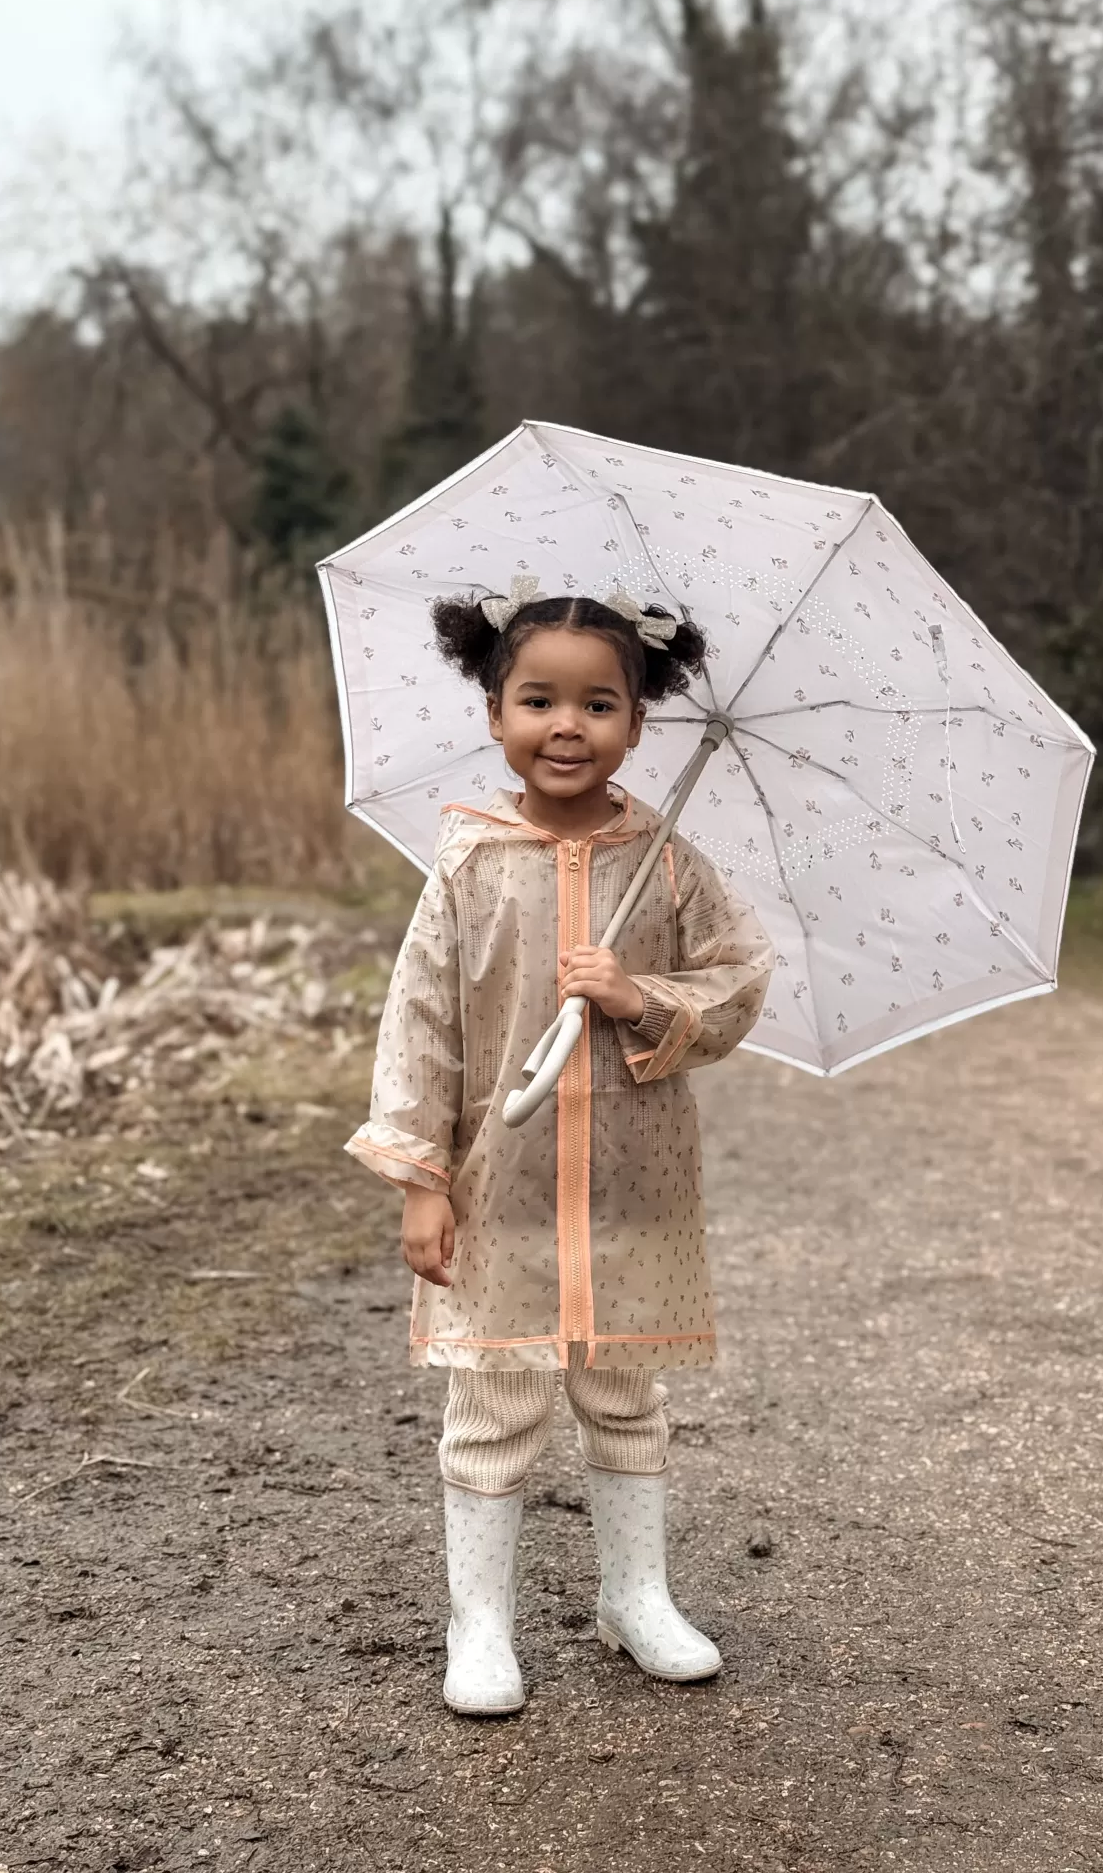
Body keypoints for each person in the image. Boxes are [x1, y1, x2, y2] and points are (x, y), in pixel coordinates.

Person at [345, 579, 774, 1717]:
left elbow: (737, 981)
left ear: (638, 722)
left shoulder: (669, 864)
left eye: (598, 704)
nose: (567, 726)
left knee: (623, 1388)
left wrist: (641, 996)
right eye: (538, 700)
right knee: (493, 1397)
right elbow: (422, 1024)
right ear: (495, 714)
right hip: (504, 1184)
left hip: (632, 1183)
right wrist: (422, 1180)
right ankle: (479, 1625)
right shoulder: (472, 863)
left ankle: (636, 1596)